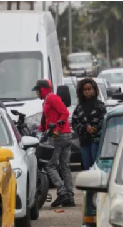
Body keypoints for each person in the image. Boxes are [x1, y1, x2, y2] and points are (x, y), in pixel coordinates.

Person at [33, 79, 75, 207]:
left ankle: (62, 192)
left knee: (50, 165)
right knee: (64, 166)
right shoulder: (47, 101)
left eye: (37, 91)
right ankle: (69, 196)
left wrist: (57, 128)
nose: (37, 94)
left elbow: (65, 113)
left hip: (58, 136)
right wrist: (40, 129)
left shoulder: (52, 98)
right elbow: (46, 120)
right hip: (64, 135)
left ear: (42, 89)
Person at [71, 78, 107, 171]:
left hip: (97, 141)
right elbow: (74, 123)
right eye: (85, 90)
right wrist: (85, 128)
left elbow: (104, 121)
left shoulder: (100, 105)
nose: (87, 92)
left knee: (96, 167)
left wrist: (95, 128)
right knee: (87, 167)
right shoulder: (79, 107)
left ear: (94, 90)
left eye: (89, 89)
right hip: (84, 141)